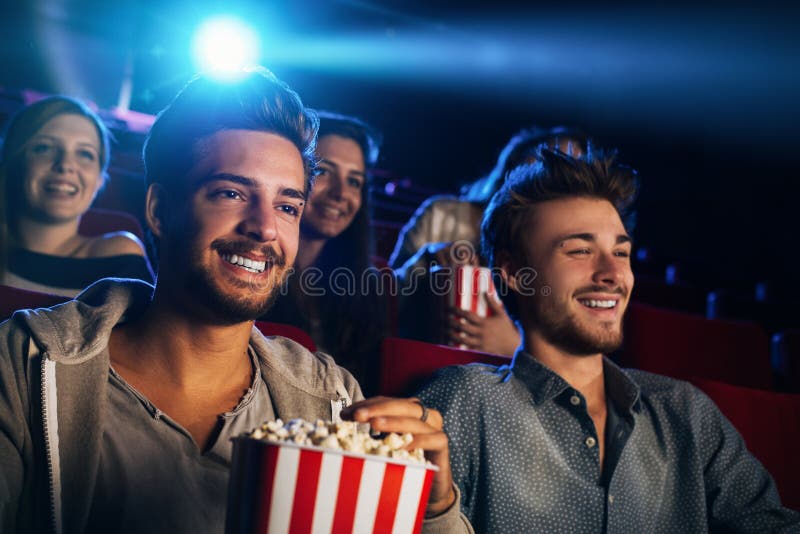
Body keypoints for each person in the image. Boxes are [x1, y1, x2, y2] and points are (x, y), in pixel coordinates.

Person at [0, 68, 469, 533]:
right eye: (231, 193)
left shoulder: (332, 397)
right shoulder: (24, 362)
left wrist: (434, 509)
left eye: (287, 206)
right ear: (160, 210)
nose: (265, 228)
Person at [417, 149, 800, 532]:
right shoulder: (464, 401)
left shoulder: (688, 414)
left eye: (621, 252)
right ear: (516, 273)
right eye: (581, 250)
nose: (613, 273)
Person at [390, 127, 586, 356]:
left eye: (570, 169)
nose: (554, 172)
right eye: (548, 157)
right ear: (517, 161)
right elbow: (384, 302)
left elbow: (577, 351)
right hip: (418, 355)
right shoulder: (442, 215)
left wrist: (516, 347)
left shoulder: (568, 250)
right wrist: (427, 259)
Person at [260, 112, 388, 393]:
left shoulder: (369, 285)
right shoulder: (254, 263)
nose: (341, 193)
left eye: (354, 181)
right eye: (324, 172)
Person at [0, 96, 153, 296]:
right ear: (11, 165)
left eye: (85, 154)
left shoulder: (119, 255)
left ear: (99, 180)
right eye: (44, 148)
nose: (65, 165)